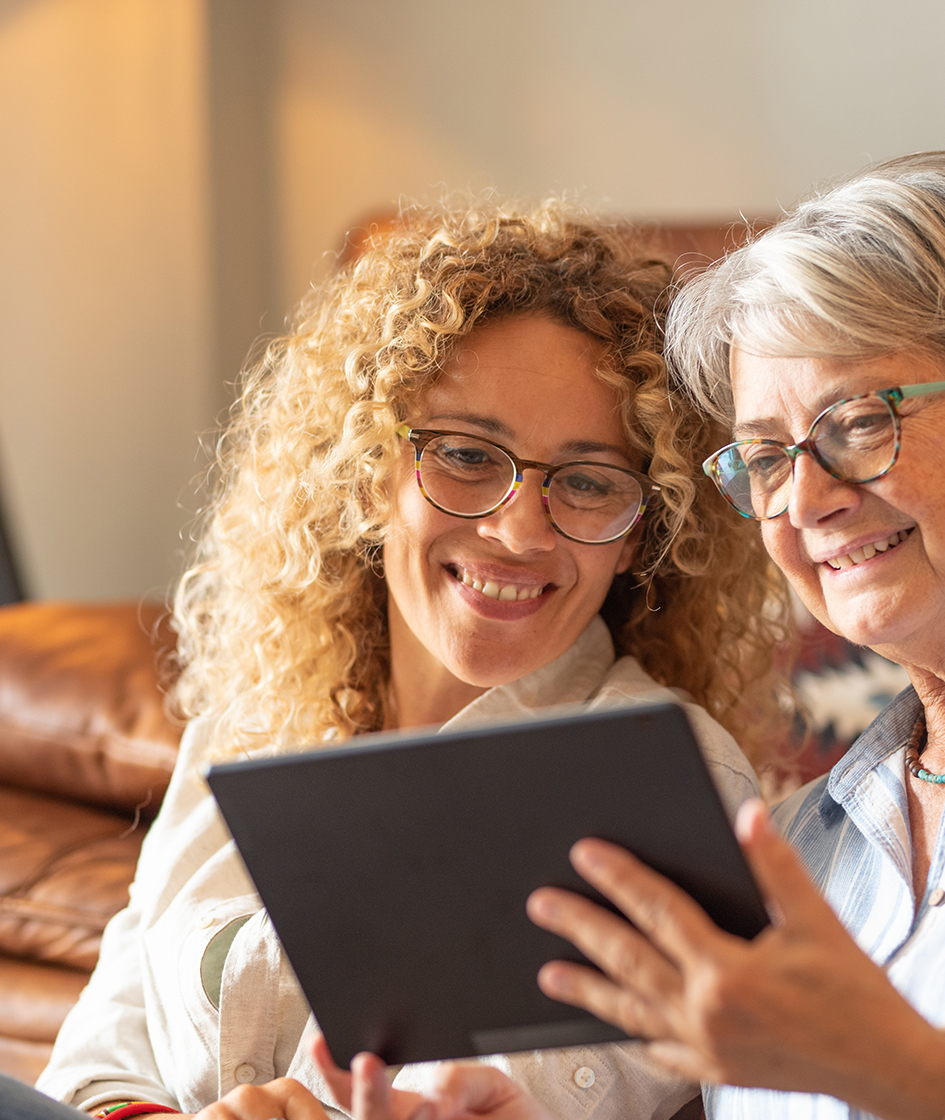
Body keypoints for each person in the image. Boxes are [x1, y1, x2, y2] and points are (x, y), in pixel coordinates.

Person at [345, 153, 945, 1120]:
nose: (804, 500)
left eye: (857, 424)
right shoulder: (794, 851)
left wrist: (907, 1073)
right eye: (764, 456)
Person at [34, 200, 786, 1120]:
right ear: (367, 471)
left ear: (638, 536)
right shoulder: (250, 723)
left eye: (587, 482)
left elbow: (509, 1100)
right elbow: (93, 1060)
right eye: (467, 456)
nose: (517, 530)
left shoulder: (666, 782)